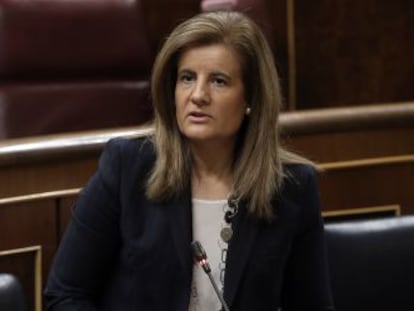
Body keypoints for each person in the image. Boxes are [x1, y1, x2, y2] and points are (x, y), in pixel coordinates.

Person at [44, 11, 335, 311]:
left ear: (251, 98)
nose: (198, 95)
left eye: (219, 81)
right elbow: (65, 294)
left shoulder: (292, 187)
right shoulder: (128, 167)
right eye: (187, 78)